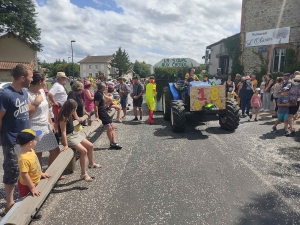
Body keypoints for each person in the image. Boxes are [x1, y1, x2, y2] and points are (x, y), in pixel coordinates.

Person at [0, 64, 33, 213]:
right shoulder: (5, 94)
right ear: (22, 78)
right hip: (11, 139)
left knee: (26, 168)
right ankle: (10, 203)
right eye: (30, 77)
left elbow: (26, 113)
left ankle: (23, 198)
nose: (31, 79)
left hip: (25, 139)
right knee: (12, 170)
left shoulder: (24, 93)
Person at [58, 99, 101, 182]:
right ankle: (83, 174)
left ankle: (91, 164)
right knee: (83, 151)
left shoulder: (70, 113)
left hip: (74, 134)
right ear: (70, 109)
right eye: (75, 109)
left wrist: (78, 117)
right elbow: (63, 132)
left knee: (90, 146)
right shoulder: (63, 117)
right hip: (68, 137)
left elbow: (76, 115)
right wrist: (66, 145)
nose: (75, 110)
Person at [27, 71, 60, 168]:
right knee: (38, 154)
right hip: (35, 127)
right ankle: (39, 176)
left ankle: (51, 171)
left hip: (46, 125)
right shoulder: (27, 94)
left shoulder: (41, 91)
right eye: (45, 80)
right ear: (40, 82)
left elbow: (46, 110)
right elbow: (28, 114)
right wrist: (36, 103)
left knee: (55, 150)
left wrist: (51, 123)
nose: (46, 82)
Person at [17, 129, 50, 198]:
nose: (36, 141)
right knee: (24, 200)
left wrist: (41, 173)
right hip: (26, 185)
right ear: (30, 143)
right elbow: (24, 175)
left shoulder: (30, 150)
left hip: (35, 180)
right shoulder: (23, 158)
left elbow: (35, 164)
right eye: (35, 139)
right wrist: (32, 187)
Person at [94, 83, 122, 149]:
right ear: (102, 88)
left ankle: (114, 142)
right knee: (109, 127)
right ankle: (112, 143)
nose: (107, 87)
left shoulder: (101, 93)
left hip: (104, 111)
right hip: (101, 112)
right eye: (105, 87)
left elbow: (109, 99)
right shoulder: (98, 94)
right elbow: (95, 105)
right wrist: (97, 116)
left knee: (112, 126)